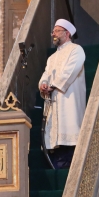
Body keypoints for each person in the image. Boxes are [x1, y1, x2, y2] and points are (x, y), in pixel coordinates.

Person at [38, 18, 86, 169]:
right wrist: (43, 85)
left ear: (67, 33)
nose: (54, 34)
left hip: (68, 100)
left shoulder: (76, 50)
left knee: (69, 134)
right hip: (53, 101)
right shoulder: (52, 58)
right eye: (53, 31)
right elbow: (46, 74)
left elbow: (70, 71)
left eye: (57, 31)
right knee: (55, 141)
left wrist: (53, 85)